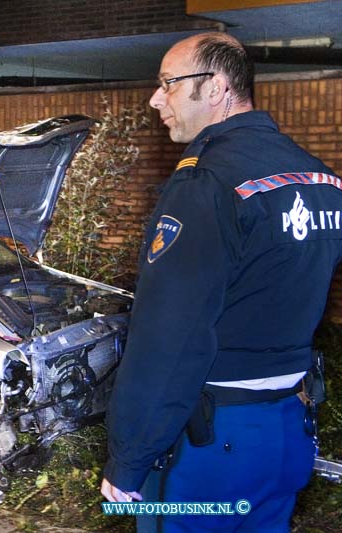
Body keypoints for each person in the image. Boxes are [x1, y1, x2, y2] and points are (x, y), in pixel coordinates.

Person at [101, 32, 340, 531]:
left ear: (215, 87)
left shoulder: (206, 182)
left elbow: (171, 335)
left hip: (210, 445)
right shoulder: (319, 179)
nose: (155, 98)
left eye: (168, 83)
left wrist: (130, 456)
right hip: (287, 431)